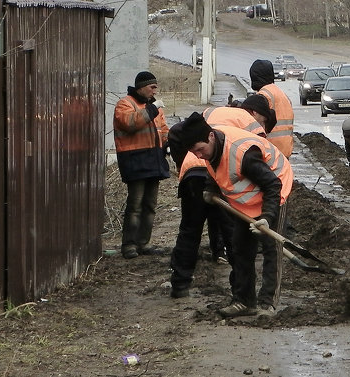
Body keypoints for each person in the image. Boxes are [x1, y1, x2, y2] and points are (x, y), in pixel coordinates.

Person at [182, 113, 292, 319]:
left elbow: (272, 184)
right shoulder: (209, 151)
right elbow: (217, 169)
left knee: (271, 249)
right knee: (240, 248)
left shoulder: (243, 153)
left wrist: (267, 217)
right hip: (246, 201)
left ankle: (268, 303)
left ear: (211, 137)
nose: (198, 156)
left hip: (275, 190)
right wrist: (210, 188)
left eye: (199, 150)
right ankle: (243, 300)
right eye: (193, 152)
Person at [113, 71, 170, 259]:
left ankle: (143, 243)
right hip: (135, 161)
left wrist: (168, 145)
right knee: (135, 205)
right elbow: (131, 123)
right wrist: (152, 109)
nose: (155, 90)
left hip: (153, 161)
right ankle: (129, 245)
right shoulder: (125, 104)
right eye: (151, 87)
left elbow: (163, 131)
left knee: (150, 205)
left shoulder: (154, 107)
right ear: (141, 87)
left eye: (156, 87)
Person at [249, 59, 295, 158]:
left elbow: (256, 125)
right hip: (285, 149)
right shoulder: (281, 94)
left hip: (270, 151)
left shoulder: (264, 95)